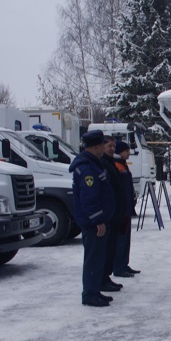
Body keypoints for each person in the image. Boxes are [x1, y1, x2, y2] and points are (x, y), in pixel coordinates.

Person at [70, 130, 116, 307]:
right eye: (102, 145)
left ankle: (95, 290)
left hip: (96, 221)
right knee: (93, 259)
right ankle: (90, 294)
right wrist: (98, 220)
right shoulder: (89, 168)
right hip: (93, 224)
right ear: (96, 146)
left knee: (98, 258)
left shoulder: (93, 164)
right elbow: (89, 199)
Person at [99, 136, 125, 293]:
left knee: (111, 248)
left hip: (115, 213)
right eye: (109, 146)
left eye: (114, 146)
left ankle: (106, 277)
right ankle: (102, 279)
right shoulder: (103, 164)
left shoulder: (111, 163)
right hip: (109, 214)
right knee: (106, 250)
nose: (112, 149)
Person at [112, 140, 139, 278]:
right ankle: (118, 266)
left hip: (126, 209)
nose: (129, 153)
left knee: (125, 239)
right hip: (121, 210)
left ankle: (124, 264)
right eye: (127, 151)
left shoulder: (122, 165)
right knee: (120, 240)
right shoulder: (117, 165)